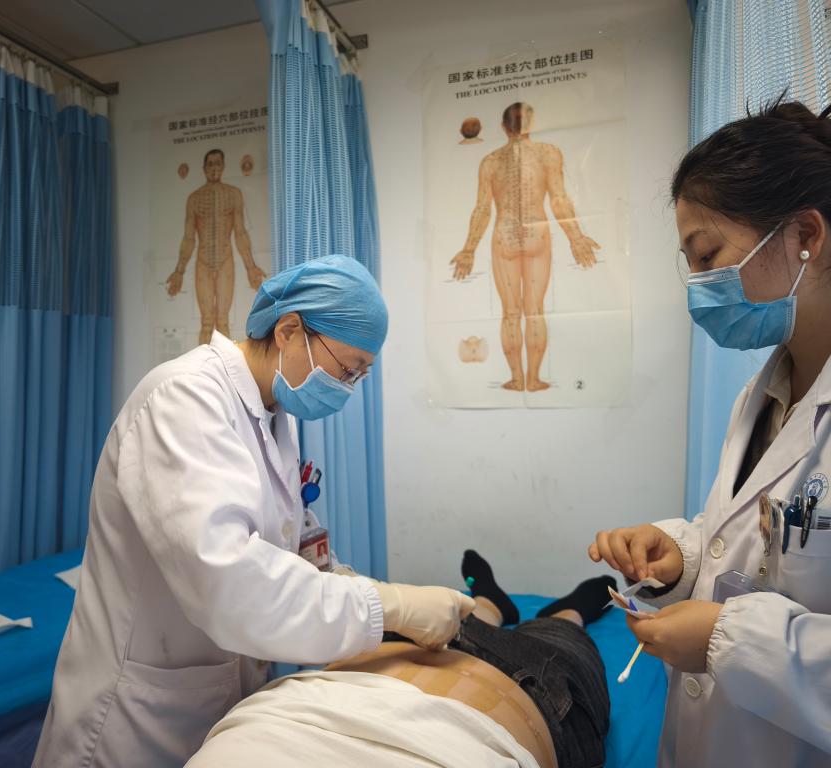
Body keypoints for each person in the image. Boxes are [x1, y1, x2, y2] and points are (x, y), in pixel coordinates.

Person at [34, 255, 475, 767]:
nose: (348, 386)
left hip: (216, 704)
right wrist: (387, 606)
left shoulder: (275, 416)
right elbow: (230, 581)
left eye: (360, 375)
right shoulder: (184, 398)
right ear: (288, 331)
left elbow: (284, 541)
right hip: (134, 720)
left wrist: (340, 579)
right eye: (347, 368)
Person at [589, 99, 831, 767]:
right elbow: (757, 547)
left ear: (805, 235)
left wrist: (731, 639)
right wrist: (683, 555)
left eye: (708, 256)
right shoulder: (764, 394)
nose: (698, 285)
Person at [189, 549, 615, 768]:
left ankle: (488, 603)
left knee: (458, 618)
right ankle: (566, 611)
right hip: (527, 686)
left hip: (373, 660)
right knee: (561, 636)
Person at [450, 102, 600, 392]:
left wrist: (469, 249)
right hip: (536, 235)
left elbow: (482, 210)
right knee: (534, 311)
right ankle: (533, 379)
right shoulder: (548, 153)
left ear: (503, 127)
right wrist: (576, 237)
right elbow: (559, 199)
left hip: (504, 236)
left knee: (510, 313)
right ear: (532, 124)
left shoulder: (490, 161)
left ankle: (517, 379)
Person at [166, 148, 267, 344]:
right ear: (204, 168)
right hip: (203, 262)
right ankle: (203, 363)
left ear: (223, 166)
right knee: (206, 322)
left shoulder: (234, 194)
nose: (214, 168)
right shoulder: (194, 198)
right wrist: (179, 271)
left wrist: (251, 267)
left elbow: (240, 233)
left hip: (225, 261)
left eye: (218, 163)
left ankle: (224, 364)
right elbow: (189, 238)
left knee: (222, 321)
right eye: (210, 164)